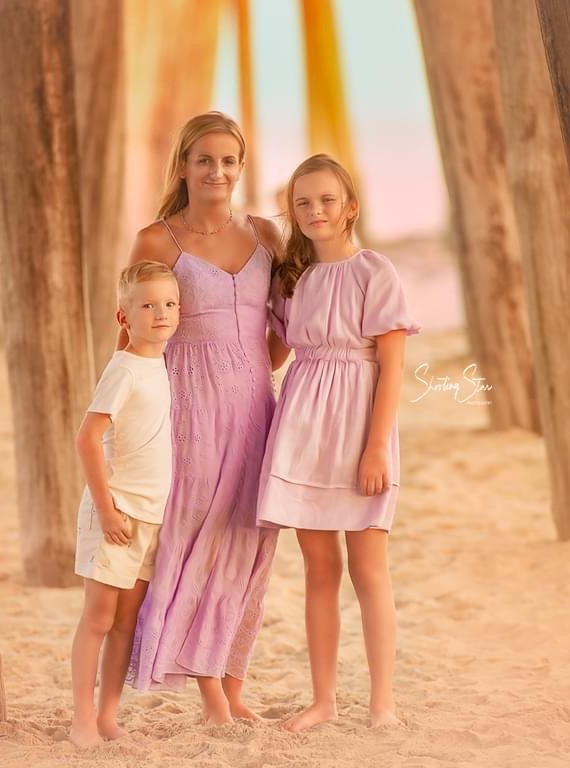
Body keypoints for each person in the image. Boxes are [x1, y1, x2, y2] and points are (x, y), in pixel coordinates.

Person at [116, 112, 284, 724]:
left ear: (242, 167)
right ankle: (212, 695)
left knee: (251, 544)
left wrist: (251, 374)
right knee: (195, 541)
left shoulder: (267, 233)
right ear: (184, 166)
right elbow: (131, 334)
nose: (217, 171)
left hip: (256, 408)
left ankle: (234, 688)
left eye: (229, 161)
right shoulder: (159, 241)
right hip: (187, 409)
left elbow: (286, 325)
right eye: (204, 160)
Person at [258, 154, 422, 732]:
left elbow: (393, 367)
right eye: (303, 202)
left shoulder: (375, 272)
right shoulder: (292, 279)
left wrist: (377, 447)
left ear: (350, 207)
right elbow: (274, 352)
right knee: (318, 569)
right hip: (302, 425)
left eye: (326, 199)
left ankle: (383, 704)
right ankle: (323, 701)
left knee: (369, 569)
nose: (314, 210)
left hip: (358, 426)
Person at [69, 261, 180, 745]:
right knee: (98, 618)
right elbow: (87, 439)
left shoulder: (157, 362)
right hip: (116, 514)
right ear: (124, 317)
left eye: (170, 304)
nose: (161, 313)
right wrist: (108, 508)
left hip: (150, 518)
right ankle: (81, 720)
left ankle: (109, 716)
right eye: (148, 305)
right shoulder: (125, 371)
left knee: (125, 624)